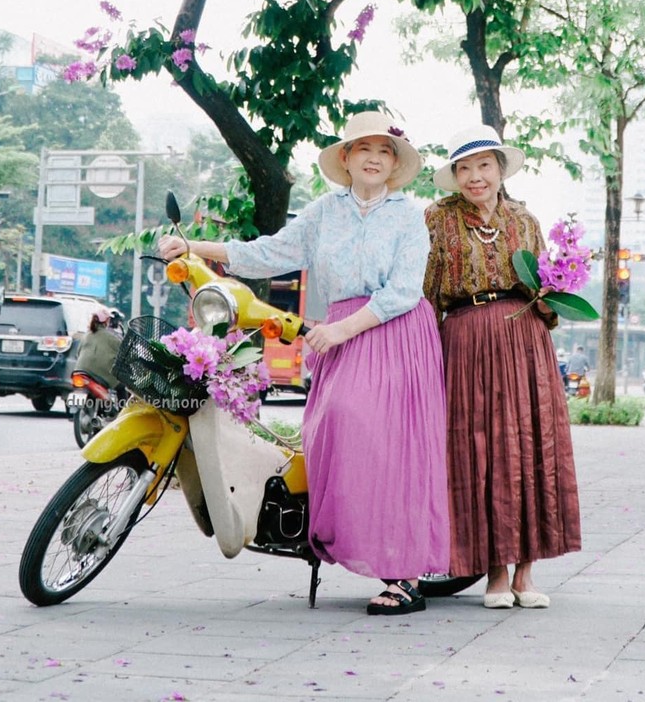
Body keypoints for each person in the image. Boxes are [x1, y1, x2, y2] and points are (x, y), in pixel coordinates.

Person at [159, 110, 450, 616]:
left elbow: (404, 291)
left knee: (382, 439)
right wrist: (193, 246)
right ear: (346, 158)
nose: (374, 158)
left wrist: (338, 330)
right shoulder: (325, 211)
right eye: (364, 149)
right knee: (328, 429)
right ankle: (349, 539)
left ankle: (404, 577)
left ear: (396, 162)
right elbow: (269, 253)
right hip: (339, 333)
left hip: (393, 332)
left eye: (385, 151)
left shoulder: (409, 215)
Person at [424, 125, 581, 610]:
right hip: (466, 338)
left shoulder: (525, 219)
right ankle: (493, 572)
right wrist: (423, 353)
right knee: (480, 449)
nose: (475, 177)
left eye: (484, 166)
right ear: (454, 176)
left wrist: (555, 299)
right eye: (464, 168)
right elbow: (427, 291)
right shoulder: (437, 219)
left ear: (500, 169)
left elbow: (545, 292)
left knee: (531, 444)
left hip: (524, 338)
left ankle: (525, 574)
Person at [72, 306, 122, 388]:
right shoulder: (111, 337)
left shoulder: (86, 335)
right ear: (106, 321)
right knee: (122, 386)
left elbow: (78, 353)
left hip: (80, 372)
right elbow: (123, 352)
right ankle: (122, 401)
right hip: (101, 376)